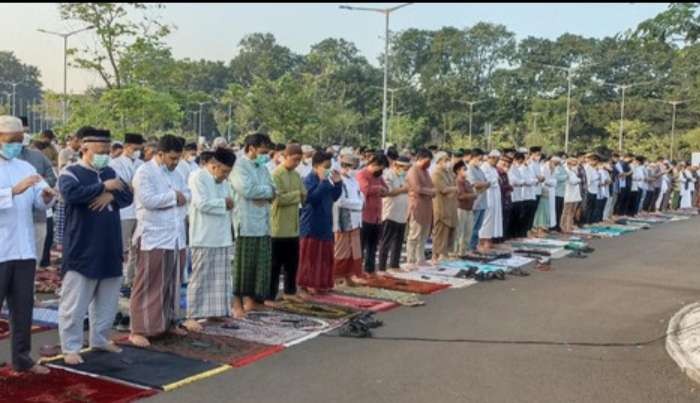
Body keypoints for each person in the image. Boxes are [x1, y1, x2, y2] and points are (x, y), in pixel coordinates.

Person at [58, 128, 133, 365]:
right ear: (84, 149)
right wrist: (104, 188)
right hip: (83, 247)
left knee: (107, 300)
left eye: (106, 151)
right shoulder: (71, 172)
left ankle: (99, 338)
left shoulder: (109, 171)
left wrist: (111, 196)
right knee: (76, 302)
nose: (103, 155)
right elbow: (72, 195)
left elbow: (127, 195)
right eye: (99, 152)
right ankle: (70, 346)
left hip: (110, 245)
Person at [0, 115, 56, 375]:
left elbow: (40, 199)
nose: (16, 145)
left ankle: (22, 358)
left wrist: (46, 197)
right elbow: (16, 193)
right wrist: (12, 191)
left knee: (23, 307)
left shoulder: (25, 167)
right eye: (11, 141)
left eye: (19, 141)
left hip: (23, 249)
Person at [129, 134, 190, 347]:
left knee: (172, 284)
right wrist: (174, 197)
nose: (176, 162)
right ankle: (139, 329)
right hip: (153, 236)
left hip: (176, 237)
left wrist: (178, 196)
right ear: (160, 153)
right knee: (148, 284)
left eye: (178, 158)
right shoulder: (145, 172)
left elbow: (188, 194)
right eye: (172, 158)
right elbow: (148, 200)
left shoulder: (179, 172)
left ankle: (169, 322)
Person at [181, 148, 236, 332]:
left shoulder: (223, 181)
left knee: (221, 277)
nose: (226, 175)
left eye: (229, 172)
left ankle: (216, 311)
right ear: (213, 165)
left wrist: (226, 204)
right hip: (203, 235)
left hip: (222, 235)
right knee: (200, 277)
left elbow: (229, 201)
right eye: (224, 171)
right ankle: (192, 315)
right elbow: (201, 203)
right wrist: (223, 203)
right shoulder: (198, 177)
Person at [230, 133, 275, 317]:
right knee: (242, 265)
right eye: (263, 151)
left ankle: (252, 301)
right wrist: (266, 192)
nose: (266, 155)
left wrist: (265, 192)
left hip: (262, 222)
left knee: (259, 264)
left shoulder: (263, 168)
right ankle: (237, 303)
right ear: (251, 148)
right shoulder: (239, 166)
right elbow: (247, 190)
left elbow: (273, 189)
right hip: (245, 222)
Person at [297, 151, 343, 295]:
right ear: (316, 166)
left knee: (324, 256)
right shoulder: (308, 179)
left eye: (330, 166)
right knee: (310, 256)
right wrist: (323, 182)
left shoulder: (327, 179)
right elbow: (311, 199)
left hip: (325, 222)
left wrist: (338, 184)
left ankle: (321, 283)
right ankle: (307, 283)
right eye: (326, 166)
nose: (328, 169)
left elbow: (334, 197)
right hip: (311, 223)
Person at [269, 144, 306, 303]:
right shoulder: (276, 174)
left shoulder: (296, 175)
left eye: (299, 160)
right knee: (275, 265)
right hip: (278, 227)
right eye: (294, 159)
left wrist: (299, 195)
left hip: (293, 226)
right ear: (286, 156)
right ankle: (270, 294)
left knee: (292, 263)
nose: (297, 163)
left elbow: (304, 194)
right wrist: (297, 195)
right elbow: (278, 199)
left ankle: (290, 291)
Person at [108, 133, 145, 291]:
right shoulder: (114, 163)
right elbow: (121, 185)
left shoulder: (142, 164)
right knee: (119, 247)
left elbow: (137, 185)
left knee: (138, 249)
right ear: (127, 147)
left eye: (139, 149)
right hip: (124, 212)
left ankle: (132, 280)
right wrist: (131, 186)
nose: (137, 151)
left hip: (140, 210)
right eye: (135, 148)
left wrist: (133, 185)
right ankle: (115, 280)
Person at [18, 130, 56, 268]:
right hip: (9, 219)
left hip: (37, 217)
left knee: (32, 261)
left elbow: (51, 178)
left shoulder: (36, 158)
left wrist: (41, 187)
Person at [333, 153, 366, 284]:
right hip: (343, 219)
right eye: (353, 167)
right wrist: (358, 204)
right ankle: (337, 276)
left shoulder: (354, 180)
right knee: (341, 249)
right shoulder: (337, 179)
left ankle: (350, 275)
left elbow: (360, 194)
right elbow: (340, 201)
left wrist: (361, 201)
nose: (355, 170)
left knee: (354, 249)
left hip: (356, 219)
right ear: (345, 166)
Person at [356, 151, 389, 276]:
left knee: (373, 246)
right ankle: (358, 270)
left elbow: (386, 189)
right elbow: (365, 190)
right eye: (381, 168)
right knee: (361, 246)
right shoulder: (362, 174)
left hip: (377, 216)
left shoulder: (379, 176)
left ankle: (370, 270)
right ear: (375, 164)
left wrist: (382, 190)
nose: (382, 171)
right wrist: (378, 189)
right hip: (365, 215)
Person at [378, 156, 411, 272]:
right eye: (404, 168)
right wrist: (403, 189)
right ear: (397, 165)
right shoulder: (388, 175)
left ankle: (394, 265)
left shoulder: (404, 176)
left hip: (401, 213)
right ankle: (382, 267)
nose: (405, 170)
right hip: (390, 213)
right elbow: (388, 192)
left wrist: (405, 189)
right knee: (386, 241)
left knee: (398, 241)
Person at [405, 148, 435, 268]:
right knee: (414, 234)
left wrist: (432, 191)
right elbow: (417, 188)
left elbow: (432, 186)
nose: (429, 164)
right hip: (417, 205)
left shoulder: (426, 171)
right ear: (420, 158)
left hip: (427, 205)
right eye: (427, 161)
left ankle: (420, 258)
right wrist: (430, 191)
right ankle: (410, 259)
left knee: (424, 234)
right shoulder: (413, 170)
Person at [431, 151, 458, 263]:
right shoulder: (436, 173)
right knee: (440, 231)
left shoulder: (448, 172)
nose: (448, 162)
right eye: (445, 160)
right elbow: (443, 189)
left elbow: (453, 185)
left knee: (449, 230)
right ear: (439, 161)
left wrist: (453, 188)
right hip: (440, 206)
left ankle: (445, 253)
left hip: (450, 205)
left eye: (448, 159)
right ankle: (437, 254)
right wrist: (454, 189)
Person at [478, 150, 502, 251]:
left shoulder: (493, 168)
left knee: (493, 218)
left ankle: (489, 239)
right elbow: (486, 181)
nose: (497, 162)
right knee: (486, 218)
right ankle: (482, 241)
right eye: (496, 159)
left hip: (495, 195)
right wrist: (496, 180)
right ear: (491, 158)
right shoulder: (484, 167)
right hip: (488, 195)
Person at [467, 148, 490, 251]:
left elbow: (485, 182)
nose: (480, 161)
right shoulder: (469, 169)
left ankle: (474, 246)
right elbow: (475, 184)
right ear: (473, 157)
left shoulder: (479, 169)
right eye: (479, 159)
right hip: (475, 202)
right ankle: (469, 247)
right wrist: (485, 184)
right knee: (472, 227)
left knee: (478, 227)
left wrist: (485, 184)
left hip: (483, 201)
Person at [453, 160, 476, 256]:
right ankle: (455, 252)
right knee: (459, 232)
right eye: (464, 169)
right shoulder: (457, 181)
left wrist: (473, 194)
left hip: (469, 209)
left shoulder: (466, 181)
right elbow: (460, 196)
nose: (466, 171)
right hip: (460, 209)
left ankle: (463, 251)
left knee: (468, 232)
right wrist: (473, 195)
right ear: (458, 171)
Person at [561, 158, 582, 233]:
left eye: (575, 164)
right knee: (566, 211)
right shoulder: (566, 171)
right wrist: (578, 180)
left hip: (575, 195)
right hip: (568, 194)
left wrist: (578, 180)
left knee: (572, 211)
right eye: (573, 164)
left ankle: (569, 225)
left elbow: (577, 180)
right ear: (569, 164)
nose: (575, 166)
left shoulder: (573, 171)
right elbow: (572, 181)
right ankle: (564, 226)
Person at [496, 155, 513, 243]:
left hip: (506, 199)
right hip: (500, 200)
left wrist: (509, 187)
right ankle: (497, 240)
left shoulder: (505, 174)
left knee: (506, 219)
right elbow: (499, 186)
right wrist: (508, 187)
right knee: (500, 220)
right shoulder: (496, 173)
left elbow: (507, 185)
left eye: (507, 166)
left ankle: (503, 238)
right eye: (503, 165)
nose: (505, 167)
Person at [583, 154, 601, 224]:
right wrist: (596, 178)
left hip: (594, 190)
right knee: (588, 207)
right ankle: (586, 222)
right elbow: (588, 180)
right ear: (592, 160)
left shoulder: (593, 168)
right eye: (596, 161)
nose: (597, 163)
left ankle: (590, 221)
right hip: (589, 190)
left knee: (592, 207)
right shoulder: (587, 168)